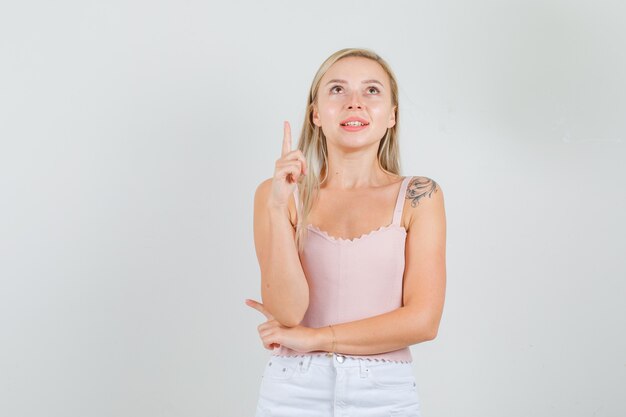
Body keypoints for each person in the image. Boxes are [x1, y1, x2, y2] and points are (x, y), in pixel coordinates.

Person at [245, 47, 446, 417]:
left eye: (372, 91)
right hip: (293, 390)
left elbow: (423, 320)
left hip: (385, 391)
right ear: (316, 114)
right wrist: (276, 208)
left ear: (392, 116)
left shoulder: (420, 196)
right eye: (337, 89)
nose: (355, 103)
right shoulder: (277, 196)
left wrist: (317, 338)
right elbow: (288, 312)